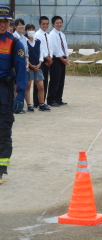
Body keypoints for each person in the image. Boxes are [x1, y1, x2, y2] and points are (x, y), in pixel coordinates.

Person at [0, 5, 28, 184]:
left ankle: (1, 169)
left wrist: (20, 95)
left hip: (4, 90)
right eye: (0, 21)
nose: (2, 24)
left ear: (10, 23)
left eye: (5, 21)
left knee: (3, 129)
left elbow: (21, 70)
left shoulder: (14, 43)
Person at [24, 24, 50, 112]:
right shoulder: (24, 41)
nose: (31, 31)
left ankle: (41, 104)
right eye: (29, 29)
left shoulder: (38, 41)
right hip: (28, 67)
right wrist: (30, 65)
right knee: (28, 86)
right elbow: (25, 55)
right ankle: (29, 105)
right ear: (26, 31)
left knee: (41, 87)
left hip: (38, 66)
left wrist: (40, 63)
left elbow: (41, 53)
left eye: (32, 29)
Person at [48, 16, 69, 107]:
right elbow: (56, 49)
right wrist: (62, 59)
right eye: (57, 23)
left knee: (61, 79)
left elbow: (65, 47)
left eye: (60, 22)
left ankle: (58, 98)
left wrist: (66, 57)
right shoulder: (52, 34)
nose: (59, 24)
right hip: (56, 59)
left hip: (63, 58)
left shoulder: (62, 34)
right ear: (53, 24)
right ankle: (51, 99)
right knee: (55, 80)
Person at [34, 16, 53, 108]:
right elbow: (40, 49)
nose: (45, 25)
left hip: (48, 59)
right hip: (42, 60)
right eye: (43, 24)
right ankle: (37, 102)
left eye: (47, 24)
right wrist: (47, 58)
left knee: (45, 81)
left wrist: (51, 58)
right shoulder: (37, 34)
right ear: (39, 24)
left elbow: (50, 47)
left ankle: (42, 101)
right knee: (39, 82)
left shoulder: (47, 35)